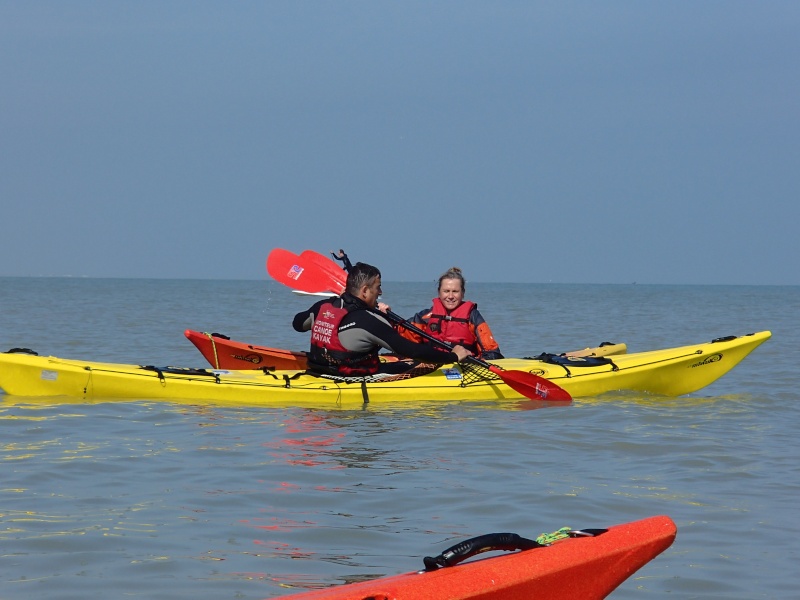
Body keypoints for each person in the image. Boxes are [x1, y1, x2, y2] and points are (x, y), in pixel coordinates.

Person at [292, 262, 472, 376]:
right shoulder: (368, 320)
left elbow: (298, 324)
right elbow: (411, 350)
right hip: (352, 377)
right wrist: (453, 356)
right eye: (377, 287)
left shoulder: (323, 306)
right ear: (364, 291)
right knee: (417, 364)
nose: (380, 292)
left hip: (318, 370)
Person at [400, 267, 504, 360]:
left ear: (462, 293)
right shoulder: (425, 317)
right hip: (432, 365)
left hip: (464, 367)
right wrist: (386, 313)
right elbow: (399, 338)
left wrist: (474, 358)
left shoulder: (473, 317)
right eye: (446, 291)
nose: (450, 296)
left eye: (455, 291)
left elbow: (492, 352)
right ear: (439, 292)